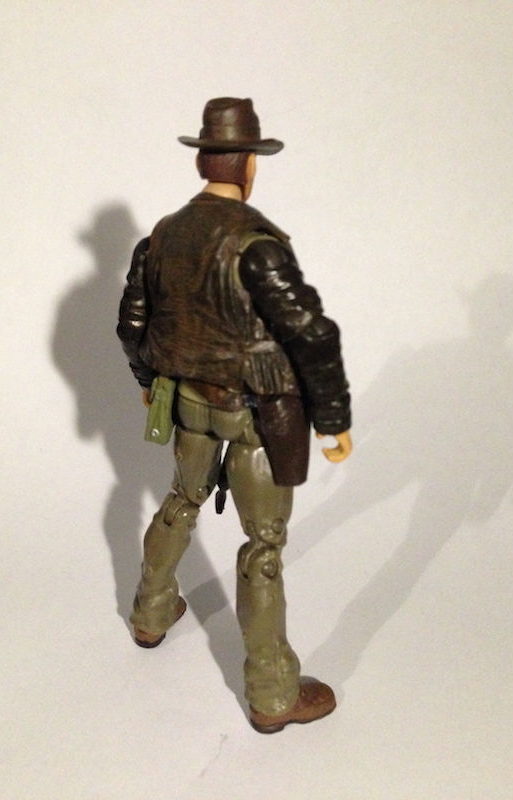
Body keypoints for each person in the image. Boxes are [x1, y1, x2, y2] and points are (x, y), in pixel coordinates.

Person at [117, 97, 352, 733]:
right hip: (255, 416)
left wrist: (149, 384)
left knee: (180, 501)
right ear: (249, 164)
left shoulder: (161, 236)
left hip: (189, 402)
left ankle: (150, 613)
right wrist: (332, 416)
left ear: (203, 161)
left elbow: (132, 324)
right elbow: (311, 334)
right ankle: (273, 694)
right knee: (264, 545)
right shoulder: (258, 246)